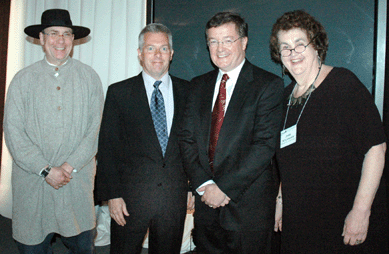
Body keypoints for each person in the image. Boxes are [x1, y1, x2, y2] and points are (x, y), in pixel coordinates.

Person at [270, 10, 388, 253]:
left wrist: (360, 211)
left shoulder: (343, 85)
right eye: (285, 47)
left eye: (300, 44)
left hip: (341, 223)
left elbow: (376, 148)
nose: (293, 53)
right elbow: (288, 160)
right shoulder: (285, 99)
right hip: (299, 224)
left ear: (317, 46)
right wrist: (281, 202)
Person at [179, 12, 283, 254]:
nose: (220, 48)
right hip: (206, 209)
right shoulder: (197, 86)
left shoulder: (267, 85)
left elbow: (264, 146)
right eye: (213, 41)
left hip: (248, 211)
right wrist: (204, 184)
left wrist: (223, 188)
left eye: (227, 40)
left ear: (244, 42)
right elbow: (186, 139)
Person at [3, 9, 104, 253]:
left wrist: (67, 168)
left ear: (73, 39)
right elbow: (13, 132)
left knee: (82, 245)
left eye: (67, 34)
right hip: (33, 184)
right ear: (41, 38)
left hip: (76, 183)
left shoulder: (89, 77)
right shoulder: (22, 79)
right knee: (32, 244)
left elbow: (96, 129)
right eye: (53, 33)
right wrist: (46, 170)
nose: (61, 40)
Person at [94, 23, 191, 254]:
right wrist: (113, 196)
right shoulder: (119, 93)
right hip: (128, 201)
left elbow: (194, 145)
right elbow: (108, 148)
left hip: (173, 199)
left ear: (172, 53)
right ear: (140, 53)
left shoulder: (189, 92)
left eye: (163, 48)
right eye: (150, 48)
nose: (157, 55)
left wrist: (192, 188)